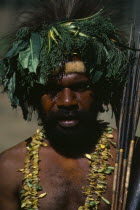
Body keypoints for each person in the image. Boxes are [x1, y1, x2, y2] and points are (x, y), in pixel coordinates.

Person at [0, 1, 128, 209]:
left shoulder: (131, 159)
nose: (67, 101)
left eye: (80, 87)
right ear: (33, 96)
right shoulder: (9, 167)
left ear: (100, 90)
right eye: (51, 90)